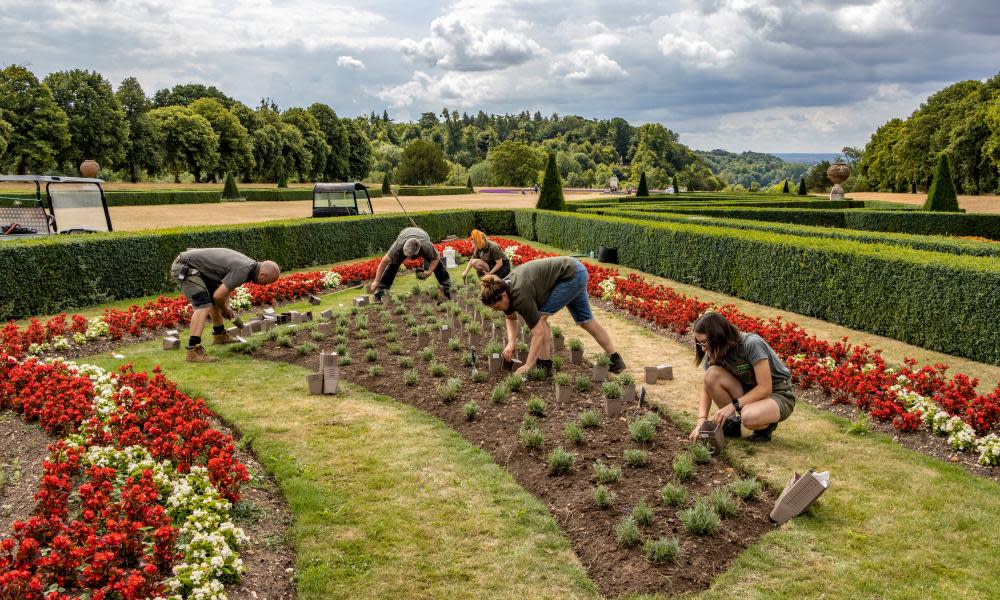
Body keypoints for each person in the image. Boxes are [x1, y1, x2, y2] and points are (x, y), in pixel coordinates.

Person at [480, 256, 625, 377]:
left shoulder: (518, 294)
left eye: (497, 307)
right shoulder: (503, 287)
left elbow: (538, 332)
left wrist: (529, 364)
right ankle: (616, 360)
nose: (498, 310)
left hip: (570, 275)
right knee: (586, 321)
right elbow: (510, 317)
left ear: (503, 296)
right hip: (576, 270)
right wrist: (511, 342)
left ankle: (544, 365)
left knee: (540, 320)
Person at [687, 312, 795, 443]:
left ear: (718, 336)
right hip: (749, 390)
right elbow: (707, 387)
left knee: (748, 417)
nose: (703, 349)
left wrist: (732, 406)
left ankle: (765, 427)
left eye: (704, 342)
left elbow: (765, 388)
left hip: (778, 393)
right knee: (711, 374)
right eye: (700, 344)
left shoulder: (751, 344)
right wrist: (701, 421)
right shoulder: (715, 352)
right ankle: (731, 424)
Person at [171, 248, 280, 363]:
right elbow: (219, 296)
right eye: (267, 282)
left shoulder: (249, 266)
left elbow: (223, 289)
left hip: (197, 269)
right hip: (185, 268)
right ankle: (192, 351)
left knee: (214, 301)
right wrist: (224, 308)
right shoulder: (243, 270)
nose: (265, 285)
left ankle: (219, 336)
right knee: (203, 305)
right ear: (262, 275)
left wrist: (226, 306)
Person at [371, 226, 450, 302]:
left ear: (418, 252)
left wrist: (429, 272)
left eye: (411, 256)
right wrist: (376, 281)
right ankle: (380, 293)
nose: (408, 258)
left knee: (438, 265)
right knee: (392, 266)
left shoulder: (426, 246)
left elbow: (436, 258)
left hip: (422, 235)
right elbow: (384, 261)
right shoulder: (398, 246)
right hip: (405, 234)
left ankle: (447, 286)